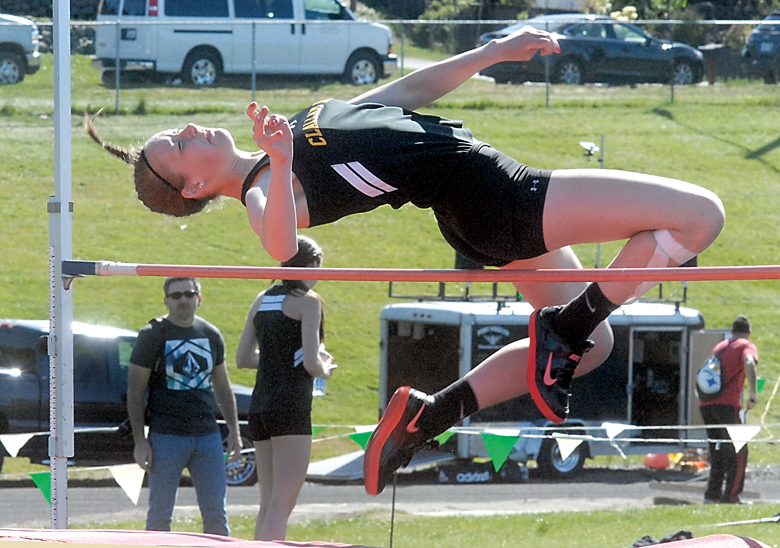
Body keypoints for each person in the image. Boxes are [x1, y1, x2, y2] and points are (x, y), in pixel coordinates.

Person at [87, 25, 725, 495]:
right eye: (177, 145)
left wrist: (493, 52)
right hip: (498, 197)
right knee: (702, 216)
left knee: (600, 338)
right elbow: (281, 245)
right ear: (194, 188)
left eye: (177, 130)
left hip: (480, 210)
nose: (188, 131)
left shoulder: (294, 128)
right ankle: (563, 328)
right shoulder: (263, 186)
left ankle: (432, 411)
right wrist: (279, 162)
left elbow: (405, 92)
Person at [235, 235, 336, 540]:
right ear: (309, 265)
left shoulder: (263, 298)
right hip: (291, 406)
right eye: (318, 269)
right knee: (283, 502)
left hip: (260, 407)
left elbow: (243, 358)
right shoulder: (307, 302)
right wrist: (326, 368)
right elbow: (310, 362)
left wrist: (277, 359)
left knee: (268, 501)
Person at [127, 277, 242, 534]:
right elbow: (135, 391)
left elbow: (223, 386)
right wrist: (140, 441)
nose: (183, 300)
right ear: (166, 300)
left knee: (216, 514)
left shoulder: (211, 334)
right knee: (159, 515)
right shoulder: (152, 335)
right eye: (176, 295)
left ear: (199, 299)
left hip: (208, 436)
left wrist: (234, 431)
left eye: (189, 294)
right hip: (166, 436)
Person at [699, 314, 758, 504]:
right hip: (728, 403)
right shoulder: (746, 345)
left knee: (717, 451)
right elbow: (749, 361)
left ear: (732, 331)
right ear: (749, 332)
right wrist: (753, 393)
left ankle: (712, 495)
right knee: (738, 451)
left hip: (707, 404)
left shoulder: (720, 346)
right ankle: (731, 497)